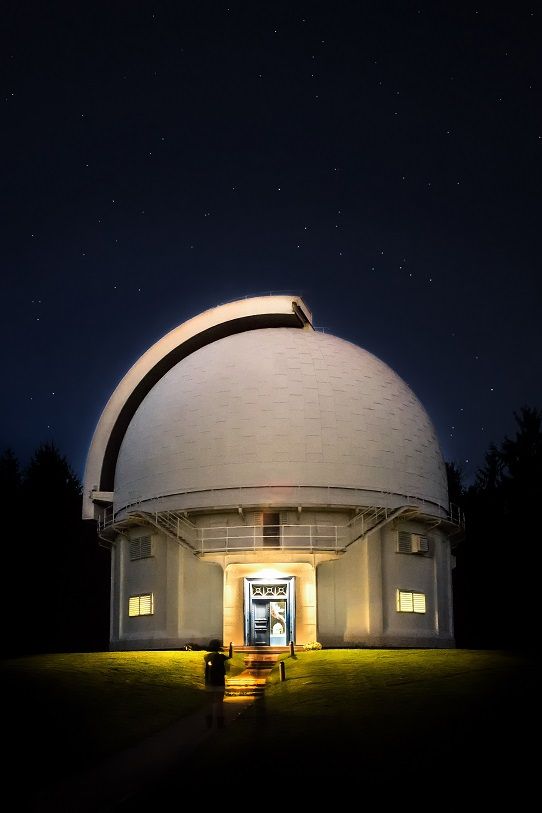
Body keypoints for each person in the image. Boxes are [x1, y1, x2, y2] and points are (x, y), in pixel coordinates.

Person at [203, 639, 231, 729]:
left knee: (209, 703)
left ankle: (209, 724)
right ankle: (220, 724)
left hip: (209, 683)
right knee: (220, 703)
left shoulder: (206, 657)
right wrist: (231, 648)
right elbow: (228, 658)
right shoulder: (221, 657)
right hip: (219, 683)